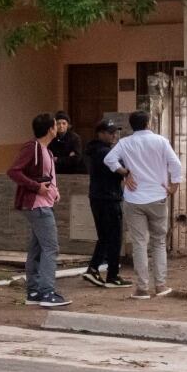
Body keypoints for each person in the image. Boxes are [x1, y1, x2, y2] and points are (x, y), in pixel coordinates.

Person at [102, 109, 184, 299]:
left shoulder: (125, 142)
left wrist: (124, 173)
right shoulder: (161, 141)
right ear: (148, 123)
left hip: (133, 198)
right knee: (159, 241)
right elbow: (176, 165)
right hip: (157, 196)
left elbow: (109, 159)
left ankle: (142, 288)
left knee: (139, 243)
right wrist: (174, 186)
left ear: (132, 125)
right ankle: (161, 285)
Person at [7, 112, 70, 307]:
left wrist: (54, 191)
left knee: (37, 248)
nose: (58, 128)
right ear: (50, 129)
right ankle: (47, 292)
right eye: (55, 125)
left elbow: (47, 176)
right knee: (51, 247)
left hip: (43, 202)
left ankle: (34, 291)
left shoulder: (46, 150)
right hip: (37, 204)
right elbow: (13, 171)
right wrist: (37, 187)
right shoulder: (33, 147)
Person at [83, 118, 130, 288]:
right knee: (114, 237)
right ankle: (112, 275)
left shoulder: (97, 150)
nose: (114, 135)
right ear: (100, 133)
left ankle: (94, 269)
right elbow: (118, 172)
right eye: (110, 132)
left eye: (115, 132)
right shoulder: (103, 153)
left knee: (105, 237)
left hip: (99, 197)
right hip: (108, 198)